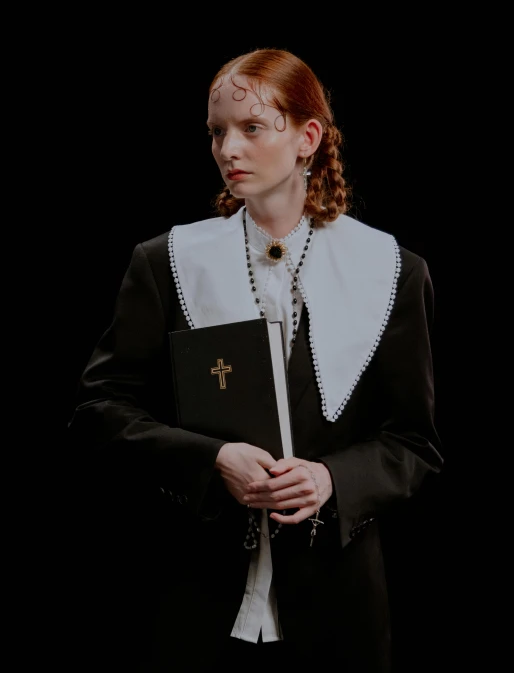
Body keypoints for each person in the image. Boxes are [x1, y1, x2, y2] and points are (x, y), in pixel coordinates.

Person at [67, 47, 443, 672]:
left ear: (307, 138)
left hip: (337, 608)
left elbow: (413, 443)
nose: (227, 150)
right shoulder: (167, 262)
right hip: (195, 597)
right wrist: (211, 459)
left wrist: (331, 479)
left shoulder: (392, 272)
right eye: (216, 132)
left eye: (251, 128)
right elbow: (98, 411)